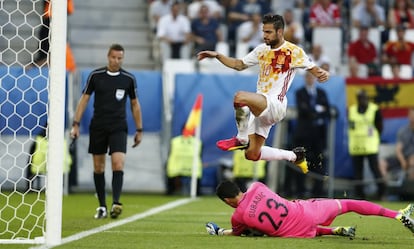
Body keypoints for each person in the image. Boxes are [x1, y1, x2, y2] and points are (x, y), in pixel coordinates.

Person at [197, 14, 329, 174]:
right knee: (251, 154)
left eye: (268, 32)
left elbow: (313, 68)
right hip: (261, 107)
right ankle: (295, 156)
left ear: (280, 32)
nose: (264, 36)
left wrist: (322, 73)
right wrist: (218, 55)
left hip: (275, 104)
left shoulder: (293, 51)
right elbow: (239, 65)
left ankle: (241, 138)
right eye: (263, 32)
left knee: (240, 97)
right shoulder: (261, 50)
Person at [70, 44, 143, 219]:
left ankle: (116, 202)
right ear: (108, 57)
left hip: (118, 126)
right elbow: (84, 100)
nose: (116, 61)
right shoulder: (96, 76)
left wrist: (139, 129)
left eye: (120, 58)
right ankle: (102, 206)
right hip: (98, 127)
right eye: (113, 57)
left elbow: (135, 105)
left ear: (122, 59)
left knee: (118, 163)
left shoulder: (128, 79)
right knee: (98, 167)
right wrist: (76, 124)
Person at [205, 180, 414, 237]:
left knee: (257, 231)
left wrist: (219, 232)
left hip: (299, 233)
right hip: (305, 211)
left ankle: (331, 231)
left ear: (226, 200)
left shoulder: (237, 217)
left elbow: (236, 232)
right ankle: (397, 215)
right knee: (349, 204)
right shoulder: (257, 186)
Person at [294, 71, 330, 197]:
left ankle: (318, 192)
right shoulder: (300, 93)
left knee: (319, 162)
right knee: (301, 162)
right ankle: (301, 190)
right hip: (304, 136)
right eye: (308, 77)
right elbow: (304, 110)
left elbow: (327, 110)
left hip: (319, 136)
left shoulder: (321, 93)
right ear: (305, 78)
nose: (310, 79)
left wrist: (314, 111)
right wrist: (317, 110)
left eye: (312, 77)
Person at [348, 89, 385, 200]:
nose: (362, 100)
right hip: (356, 146)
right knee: (358, 173)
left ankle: (381, 193)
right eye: (359, 98)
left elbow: (380, 127)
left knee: (375, 170)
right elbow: (351, 126)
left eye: (363, 97)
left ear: (367, 98)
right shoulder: (352, 110)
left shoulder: (374, 109)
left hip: (370, 146)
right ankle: (360, 195)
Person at [32, 0, 76, 72]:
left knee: (55, 48)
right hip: (53, 16)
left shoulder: (53, 26)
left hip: (54, 16)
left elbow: (70, 10)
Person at [379, 108, 414, 181]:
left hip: (412, 159)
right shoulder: (403, 131)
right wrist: (403, 161)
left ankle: (411, 188)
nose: (412, 117)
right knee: (382, 163)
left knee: (412, 162)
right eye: (411, 115)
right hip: (403, 158)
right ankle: (387, 188)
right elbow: (398, 150)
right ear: (408, 116)